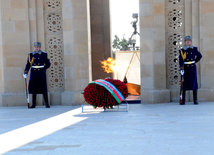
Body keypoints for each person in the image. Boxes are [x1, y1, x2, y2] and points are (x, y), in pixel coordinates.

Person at [23, 42, 51, 108]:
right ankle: (33, 104)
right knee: (34, 88)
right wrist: (25, 72)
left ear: (40, 47)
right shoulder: (31, 55)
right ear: (34, 47)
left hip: (41, 72)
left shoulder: (44, 54)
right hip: (34, 72)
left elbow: (48, 64)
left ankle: (46, 103)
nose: (36, 48)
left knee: (44, 87)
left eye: (38, 47)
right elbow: (28, 64)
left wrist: (44, 69)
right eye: (35, 47)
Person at [179, 36, 202, 105]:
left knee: (194, 83)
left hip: (192, 68)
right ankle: (183, 100)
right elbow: (180, 60)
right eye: (186, 41)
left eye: (189, 40)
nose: (188, 42)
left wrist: (194, 61)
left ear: (191, 42)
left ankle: (195, 99)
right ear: (184, 42)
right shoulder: (182, 50)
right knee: (184, 84)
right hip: (185, 68)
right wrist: (181, 68)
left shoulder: (194, 49)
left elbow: (200, 56)